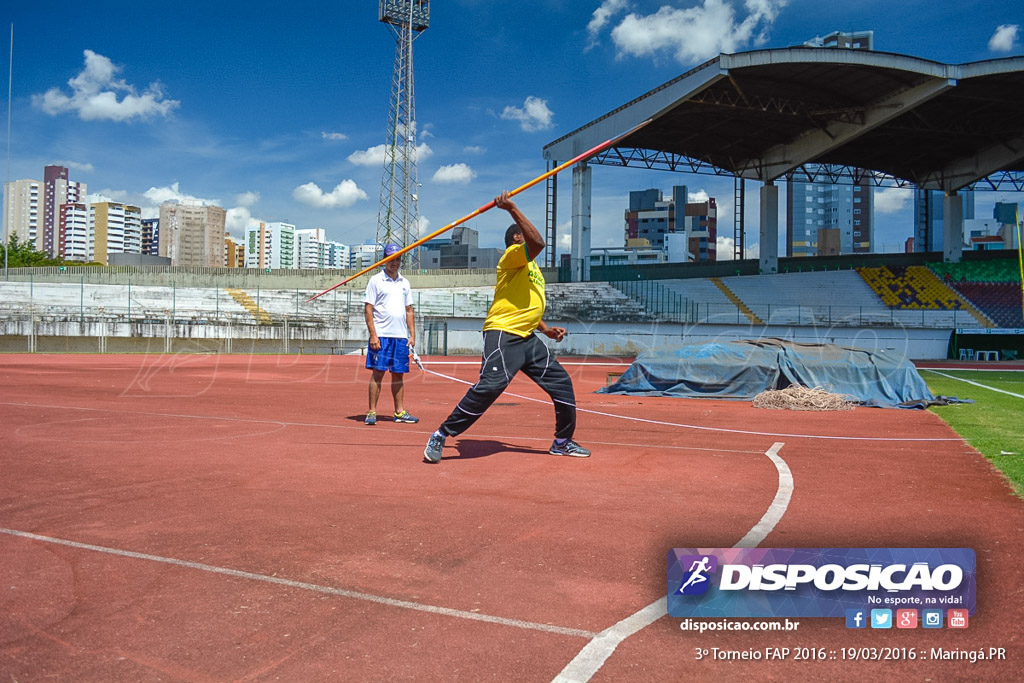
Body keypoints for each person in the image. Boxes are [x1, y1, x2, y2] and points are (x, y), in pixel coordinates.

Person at [423, 191, 589, 463]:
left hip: (527, 338)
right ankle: (441, 434)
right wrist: (512, 208)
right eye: (524, 231)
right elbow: (538, 242)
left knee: (561, 382)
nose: (529, 232)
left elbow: (527, 305)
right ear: (516, 237)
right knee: (491, 387)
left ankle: (562, 442)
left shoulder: (532, 268)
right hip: (504, 334)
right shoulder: (513, 256)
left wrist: (545, 330)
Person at [363, 243, 419, 426]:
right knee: (378, 373)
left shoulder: (405, 283)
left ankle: (399, 412)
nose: (394, 263)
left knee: (398, 375)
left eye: (397, 259)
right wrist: (373, 335)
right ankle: (372, 411)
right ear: (384, 260)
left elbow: (409, 310)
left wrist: (412, 335)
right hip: (382, 335)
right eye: (390, 259)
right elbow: (368, 309)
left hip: (400, 337)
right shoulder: (376, 280)